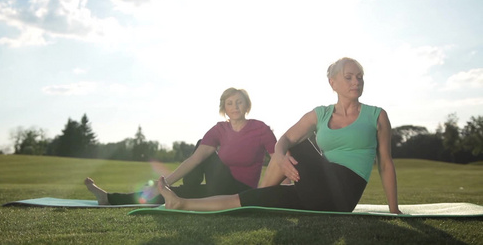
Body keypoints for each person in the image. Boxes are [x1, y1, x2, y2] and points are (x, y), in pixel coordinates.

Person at [157, 57, 402, 214]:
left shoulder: (376, 116)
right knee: (241, 198)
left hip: (344, 193)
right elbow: (284, 139)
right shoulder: (321, 114)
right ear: (333, 82)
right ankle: (181, 203)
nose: (356, 81)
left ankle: (259, 197)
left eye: (359, 77)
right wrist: (282, 155)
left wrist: (394, 210)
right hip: (316, 190)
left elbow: (385, 164)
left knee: (293, 147)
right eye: (348, 77)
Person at [85, 87, 278, 205]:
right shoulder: (219, 129)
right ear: (224, 109)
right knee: (169, 191)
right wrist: (165, 183)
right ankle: (108, 198)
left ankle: (188, 188)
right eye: (230, 103)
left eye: (239, 102)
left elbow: (279, 159)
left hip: (241, 189)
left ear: (246, 106)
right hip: (217, 187)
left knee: (204, 152)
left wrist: (277, 190)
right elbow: (195, 159)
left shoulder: (260, 129)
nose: (235, 106)